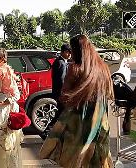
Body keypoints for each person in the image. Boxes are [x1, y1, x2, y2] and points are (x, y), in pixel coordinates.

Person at [39, 35, 114, 168]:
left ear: (77, 50)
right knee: (97, 156)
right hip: (99, 119)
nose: (70, 53)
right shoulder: (103, 68)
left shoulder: (75, 69)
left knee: (76, 158)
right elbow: (108, 94)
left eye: (72, 49)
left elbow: (64, 95)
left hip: (79, 121)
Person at [39, 44, 71, 140]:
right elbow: (61, 80)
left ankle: (55, 133)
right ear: (63, 52)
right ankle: (47, 132)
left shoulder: (62, 62)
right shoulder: (61, 63)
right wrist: (64, 93)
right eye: (68, 52)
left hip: (59, 93)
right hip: (61, 93)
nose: (69, 55)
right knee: (60, 114)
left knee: (61, 114)